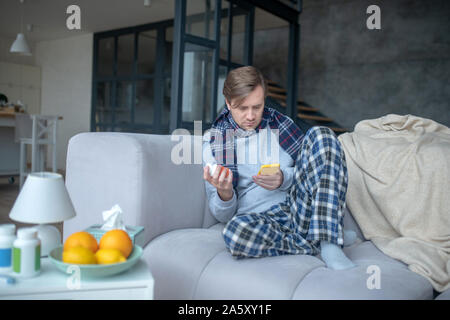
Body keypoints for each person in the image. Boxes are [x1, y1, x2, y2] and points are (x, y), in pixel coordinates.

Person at [202, 66, 356, 270]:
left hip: (298, 208)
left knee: (322, 134)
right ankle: (318, 237)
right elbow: (223, 216)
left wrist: (284, 178)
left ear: (265, 98)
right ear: (228, 102)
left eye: (257, 107)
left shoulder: (282, 125)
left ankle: (330, 244)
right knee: (234, 233)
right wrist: (225, 192)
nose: (250, 116)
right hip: (262, 221)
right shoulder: (214, 143)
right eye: (242, 108)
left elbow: (309, 171)